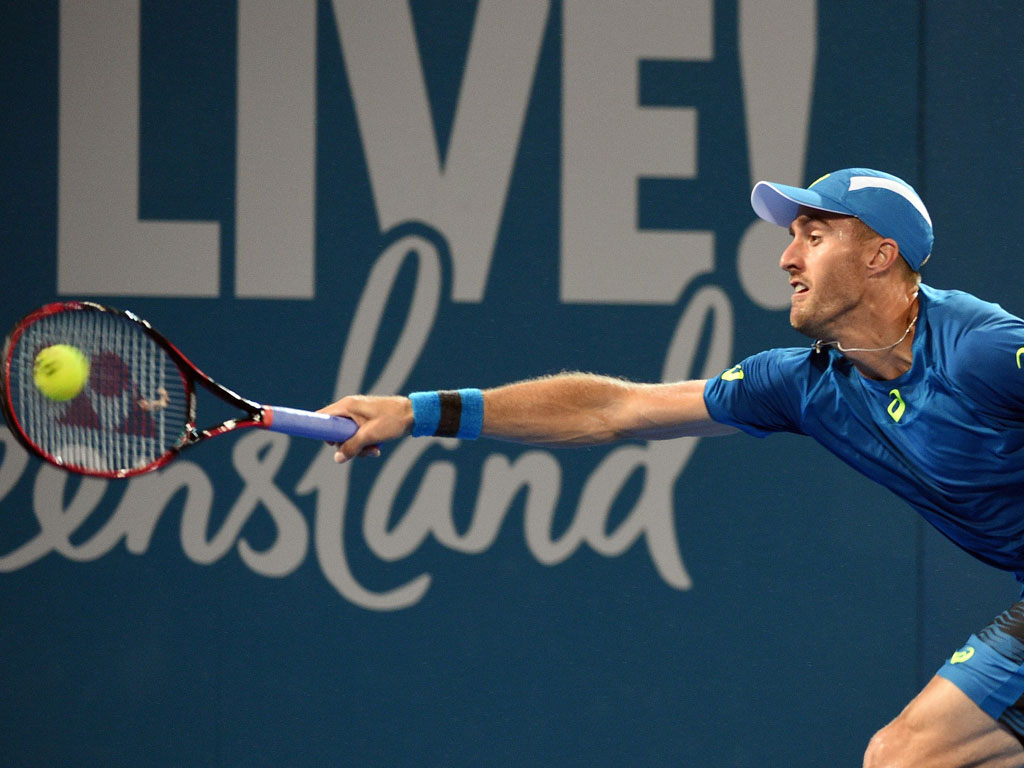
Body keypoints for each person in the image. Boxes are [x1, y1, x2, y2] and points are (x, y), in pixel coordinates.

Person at [320, 168, 1024, 767]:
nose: (788, 260)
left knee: (909, 755)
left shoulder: (979, 350)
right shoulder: (801, 385)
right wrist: (418, 412)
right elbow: (613, 409)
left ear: (879, 256)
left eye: (814, 236)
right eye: (792, 240)